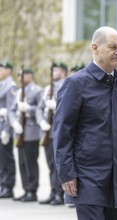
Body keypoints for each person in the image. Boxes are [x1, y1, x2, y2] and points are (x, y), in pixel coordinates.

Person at [53, 26, 117, 220]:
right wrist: (67, 173)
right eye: (113, 47)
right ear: (95, 48)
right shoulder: (76, 84)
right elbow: (63, 133)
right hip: (88, 178)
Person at [36, 61, 68, 205]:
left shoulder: (67, 85)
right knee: (50, 164)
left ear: (63, 72)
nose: (53, 73)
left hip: (60, 132)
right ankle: (53, 191)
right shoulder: (47, 89)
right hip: (47, 132)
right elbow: (39, 108)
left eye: (56, 70)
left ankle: (60, 193)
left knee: (58, 165)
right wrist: (42, 121)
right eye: (53, 70)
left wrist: (56, 107)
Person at [9, 68, 43, 202]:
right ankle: (25, 189)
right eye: (18, 76)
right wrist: (14, 123)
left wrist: (29, 109)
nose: (19, 78)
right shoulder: (18, 92)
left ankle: (32, 190)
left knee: (31, 162)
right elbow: (12, 110)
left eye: (22, 75)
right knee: (22, 162)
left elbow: (41, 108)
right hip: (19, 132)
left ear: (30, 76)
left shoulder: (37, 90)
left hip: (31, 132)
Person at [0, 61, 17, 198]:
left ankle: (8, 186)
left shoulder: (11, 87)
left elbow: (11, 110)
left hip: (5, 128)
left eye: (2, 69)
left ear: (8, 70)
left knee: (6, 158)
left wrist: (6, 129)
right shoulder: (2, 85)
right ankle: (2, 184)